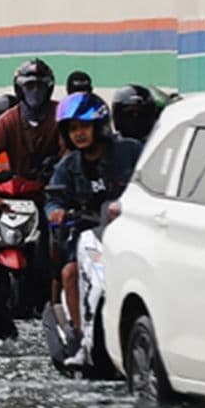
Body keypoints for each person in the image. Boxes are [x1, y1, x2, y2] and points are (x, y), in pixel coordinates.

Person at [44, 92, 142, 364]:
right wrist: (56, 213)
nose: (79, 134)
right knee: (69, 272)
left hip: (128, 234)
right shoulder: (67, 166)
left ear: (99, 126)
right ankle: (81, 338)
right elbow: (52, 199)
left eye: (84, 127)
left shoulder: (130, 151)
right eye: (73, 129)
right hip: (86, 237)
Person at [0, 58, 63, 180]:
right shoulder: (7, 122)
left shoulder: (60, 114)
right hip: (20, 190)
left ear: (48, 89)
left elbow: (71, 153)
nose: (35, 92)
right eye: (29, 86)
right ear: (20, 90)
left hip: (58, 188)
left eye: (40, 86)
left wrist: (57, 165)